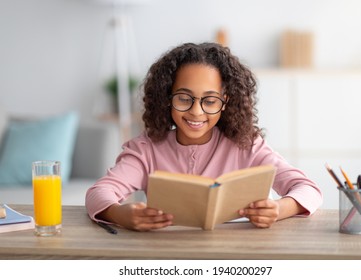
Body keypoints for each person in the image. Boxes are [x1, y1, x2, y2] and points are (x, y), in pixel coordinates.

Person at [85, 42, 323, 231]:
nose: (196, 111)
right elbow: (98, 193)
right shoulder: (146, 150)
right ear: (167, 98)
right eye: (184, 98)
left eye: (209, 101)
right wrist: (120, 214)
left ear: (225, 103)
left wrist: (279, 209)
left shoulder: (246, 146)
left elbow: (308, 189)